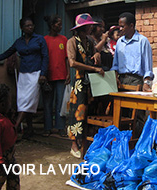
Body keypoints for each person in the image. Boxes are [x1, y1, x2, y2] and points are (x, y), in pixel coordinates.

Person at [0, 17, 49, 139]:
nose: (30, 27)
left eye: (31, 25)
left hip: (36, 73)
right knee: (22, 101)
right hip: (23, 74)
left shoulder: (39, 39)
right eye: (27, 26)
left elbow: (45, 57)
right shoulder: (19, 42)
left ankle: (14, 128)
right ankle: (29, 129)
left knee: (29, 100)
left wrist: (43, 73)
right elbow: (7, 53)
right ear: (22, 28)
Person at [110, 12, 154, 138]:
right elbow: (115, 64)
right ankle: (123, 143)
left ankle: (138, 143)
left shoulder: (142, 41)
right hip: (122, 80)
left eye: (122, 26)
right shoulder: (120, 42)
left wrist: (146, 82)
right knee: (122, 114)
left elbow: (148, 65)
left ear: (131, 25)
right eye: (119, 26)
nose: (120, 29)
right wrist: (116, 77)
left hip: (136, 81)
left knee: (138, 114)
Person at [66, 13, 103, 158]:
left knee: (90, 111)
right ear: (83, 27)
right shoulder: (72, 42)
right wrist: (94, 69)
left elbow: (95, 57)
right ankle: (74, 144)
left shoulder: (90, 41)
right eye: (90, 26)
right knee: (77, 112)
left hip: (90, 82)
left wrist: (97, 55)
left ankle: (86, 143)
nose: (92, 28)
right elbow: (72, 63)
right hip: (79, 82)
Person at [42, 15, 70, 137]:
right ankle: (47, 127)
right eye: (58, 24)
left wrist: (69, 73)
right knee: (47, 103)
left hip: (61, 75)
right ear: (52, 26)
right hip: (48, 76)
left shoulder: (64, 39)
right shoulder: (44, 40)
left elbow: (67, 58)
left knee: (61, 103)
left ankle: (60, 127)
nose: (60, 27)